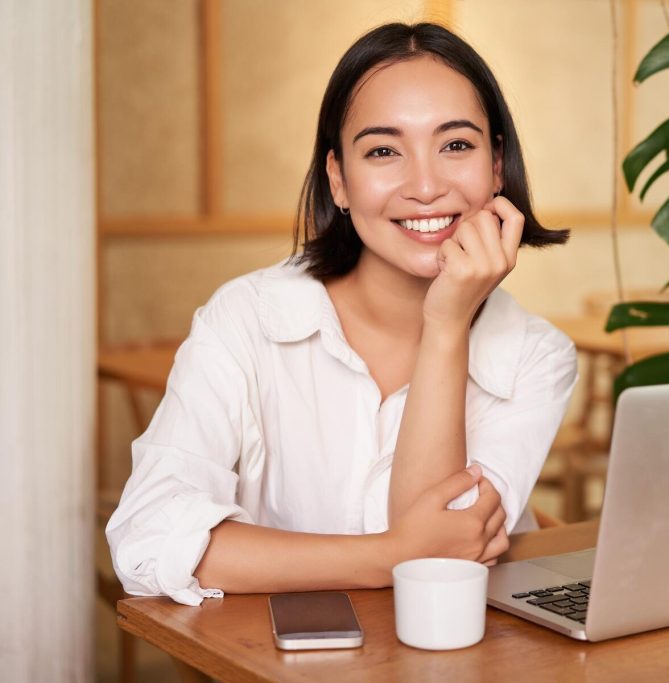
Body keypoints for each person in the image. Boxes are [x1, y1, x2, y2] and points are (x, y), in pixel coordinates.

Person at [106, 22, 577, 606]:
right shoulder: (246, 318)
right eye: (383, 150)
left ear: (497, 165)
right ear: (340, 180)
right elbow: (147, 538)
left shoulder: (536, 355)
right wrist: (387, 556)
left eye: (456, 145)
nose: (426, 186)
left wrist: (447, 323)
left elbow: (438, 567)